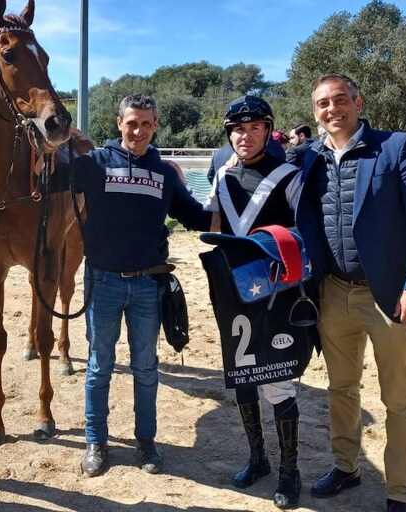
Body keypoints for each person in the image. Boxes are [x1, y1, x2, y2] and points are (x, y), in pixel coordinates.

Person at [295, 74, 406, 512]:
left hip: (389, 297)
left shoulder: (397, 147)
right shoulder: (309, 158)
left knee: (398, 399)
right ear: (315, 112)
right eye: (322, 103)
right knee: (341, 389)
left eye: (340, 100)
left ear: (358, 103)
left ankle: (399, 491)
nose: (331, 109)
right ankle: (347, 467)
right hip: (331, 293)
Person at [73, 93, 212, 477]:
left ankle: (146, 442)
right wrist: (50, 140)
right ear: (119, 123)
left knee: (146, 368)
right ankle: (95, 442)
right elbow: (46, 181)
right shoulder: (94, 164)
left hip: (149, 285)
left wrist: (246, 217)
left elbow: (196, 216)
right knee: (100, 366)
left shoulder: (165, 174)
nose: (138, 130)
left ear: (155, 125)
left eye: (146, 123)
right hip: (103, 281)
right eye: (132, 122)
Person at [203, 95, 313, 509]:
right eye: (236, 129)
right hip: (235, 292)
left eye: (252, 128)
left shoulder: (289, 174)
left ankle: (290, 471)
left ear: (268, 130)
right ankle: (258, 459)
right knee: (242, 374)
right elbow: (216, 227)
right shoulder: (223, 174)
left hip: (278, 291)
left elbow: (305, 231)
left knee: (278, 381)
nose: (243, 136)